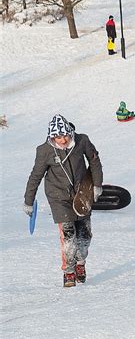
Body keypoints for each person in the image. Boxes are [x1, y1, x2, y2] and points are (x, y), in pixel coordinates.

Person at [23, 114, 103, 287]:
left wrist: (96, 184)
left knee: (85, 235)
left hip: (82, 194)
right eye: (58, 137)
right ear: (52, 137)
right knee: (69, 236)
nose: (63, 139)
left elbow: (95, 162)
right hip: (58, 197)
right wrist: (28, 201)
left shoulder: (82, 141)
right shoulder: (44, 151)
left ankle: (80, 263)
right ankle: (68, 271)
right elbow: (36, 176)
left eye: (65, 135)